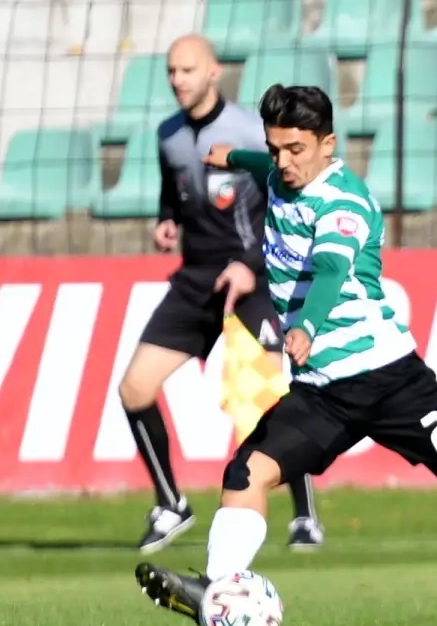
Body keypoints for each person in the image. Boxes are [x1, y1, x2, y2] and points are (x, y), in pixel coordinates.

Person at [133, 84, 437, 620]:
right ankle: (216, 590)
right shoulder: (278, 173)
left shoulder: (344, 202)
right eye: (275, 149)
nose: (283, 162)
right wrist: (234, 157)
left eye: (296, 150)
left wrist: (306, 326)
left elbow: (331, 270)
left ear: (328, 144)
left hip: (389, 379)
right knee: (246, 473)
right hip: (322, 393)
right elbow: (264, 165)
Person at [118, 35, 325, 555]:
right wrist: (167, 220)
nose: (177, 80)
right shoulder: (168, 135)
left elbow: (283, 204)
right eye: (171, 71)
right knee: (134, 388)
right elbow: (174, 194)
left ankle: (304, 516)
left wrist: (250, 265)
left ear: (213, 72)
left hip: (254, 275)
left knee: (272, 400)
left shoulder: (247, 132)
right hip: (197, 279)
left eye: (187, 70)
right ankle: (171, 504)